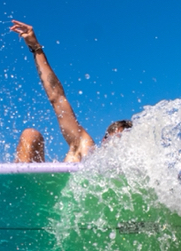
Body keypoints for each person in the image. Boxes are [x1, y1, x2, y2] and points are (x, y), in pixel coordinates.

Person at [10, 20, 131, 163]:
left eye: (125, 142)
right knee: (30, 135)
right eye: (116, 139)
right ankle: (20, 182)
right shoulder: (86, 149)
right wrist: (36, 48)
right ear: (104, 140)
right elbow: (57, 97)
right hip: (46, 185)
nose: (118, 146)